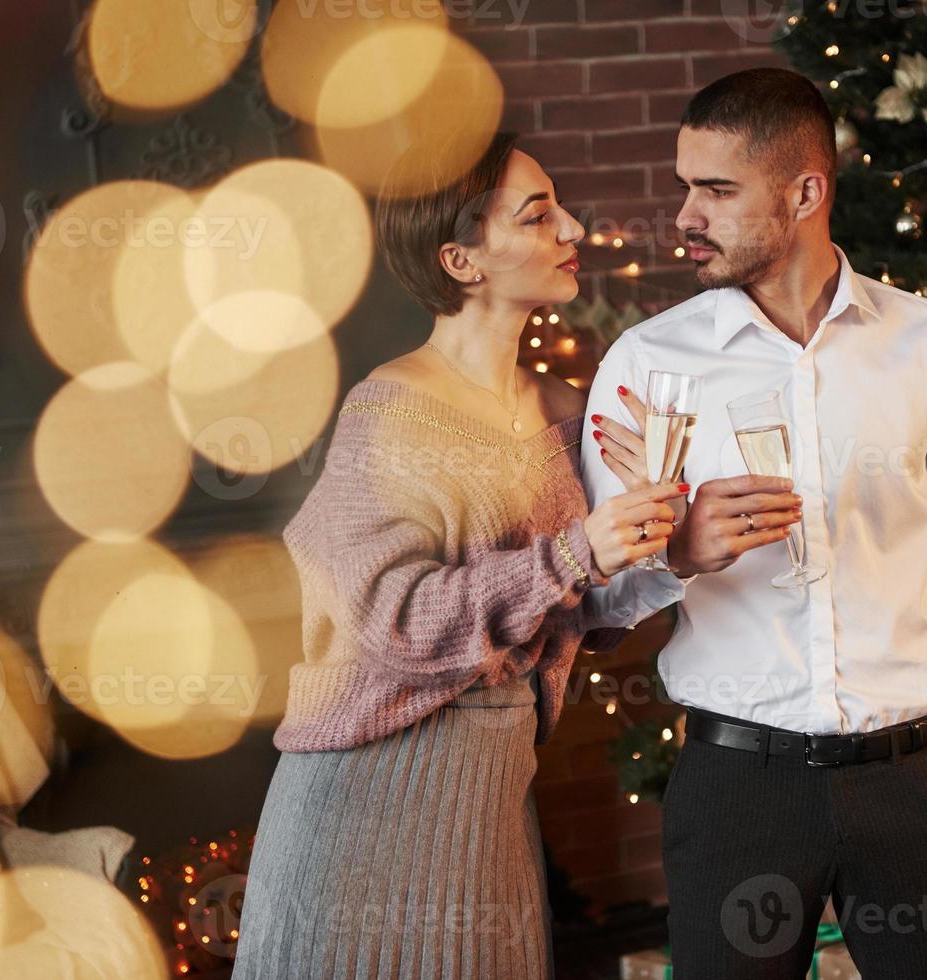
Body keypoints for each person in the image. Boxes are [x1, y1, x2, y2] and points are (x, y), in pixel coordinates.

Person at [582, 68, 927, 979]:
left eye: (716, 190)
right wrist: (680, 555)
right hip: (736, 789)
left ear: (805, 192)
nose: (685, 216)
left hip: (917, 786)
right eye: (684, 188)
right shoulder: (648, 363)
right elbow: (600, 605)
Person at [233, 132, 685, 980]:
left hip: (489, 799)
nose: (576, 229)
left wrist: (668, 545)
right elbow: (390, 621)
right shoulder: (390, 413)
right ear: (462, 259)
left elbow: (579, 611)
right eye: (538, 214)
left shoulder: (564, 414)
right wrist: (575, 552)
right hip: (362, 805)